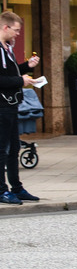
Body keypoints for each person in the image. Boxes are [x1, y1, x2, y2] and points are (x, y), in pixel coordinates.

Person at [0, 11, 40, 204]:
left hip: (11, 103)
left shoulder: (6, 48)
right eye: (15, 30)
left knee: (14, 147)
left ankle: (16, 187)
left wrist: (26, 66)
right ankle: (1, 189)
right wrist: (20, 80)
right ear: (5, 27)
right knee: (2, 148)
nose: (18, 34)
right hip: (2, 105)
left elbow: (10, 70)